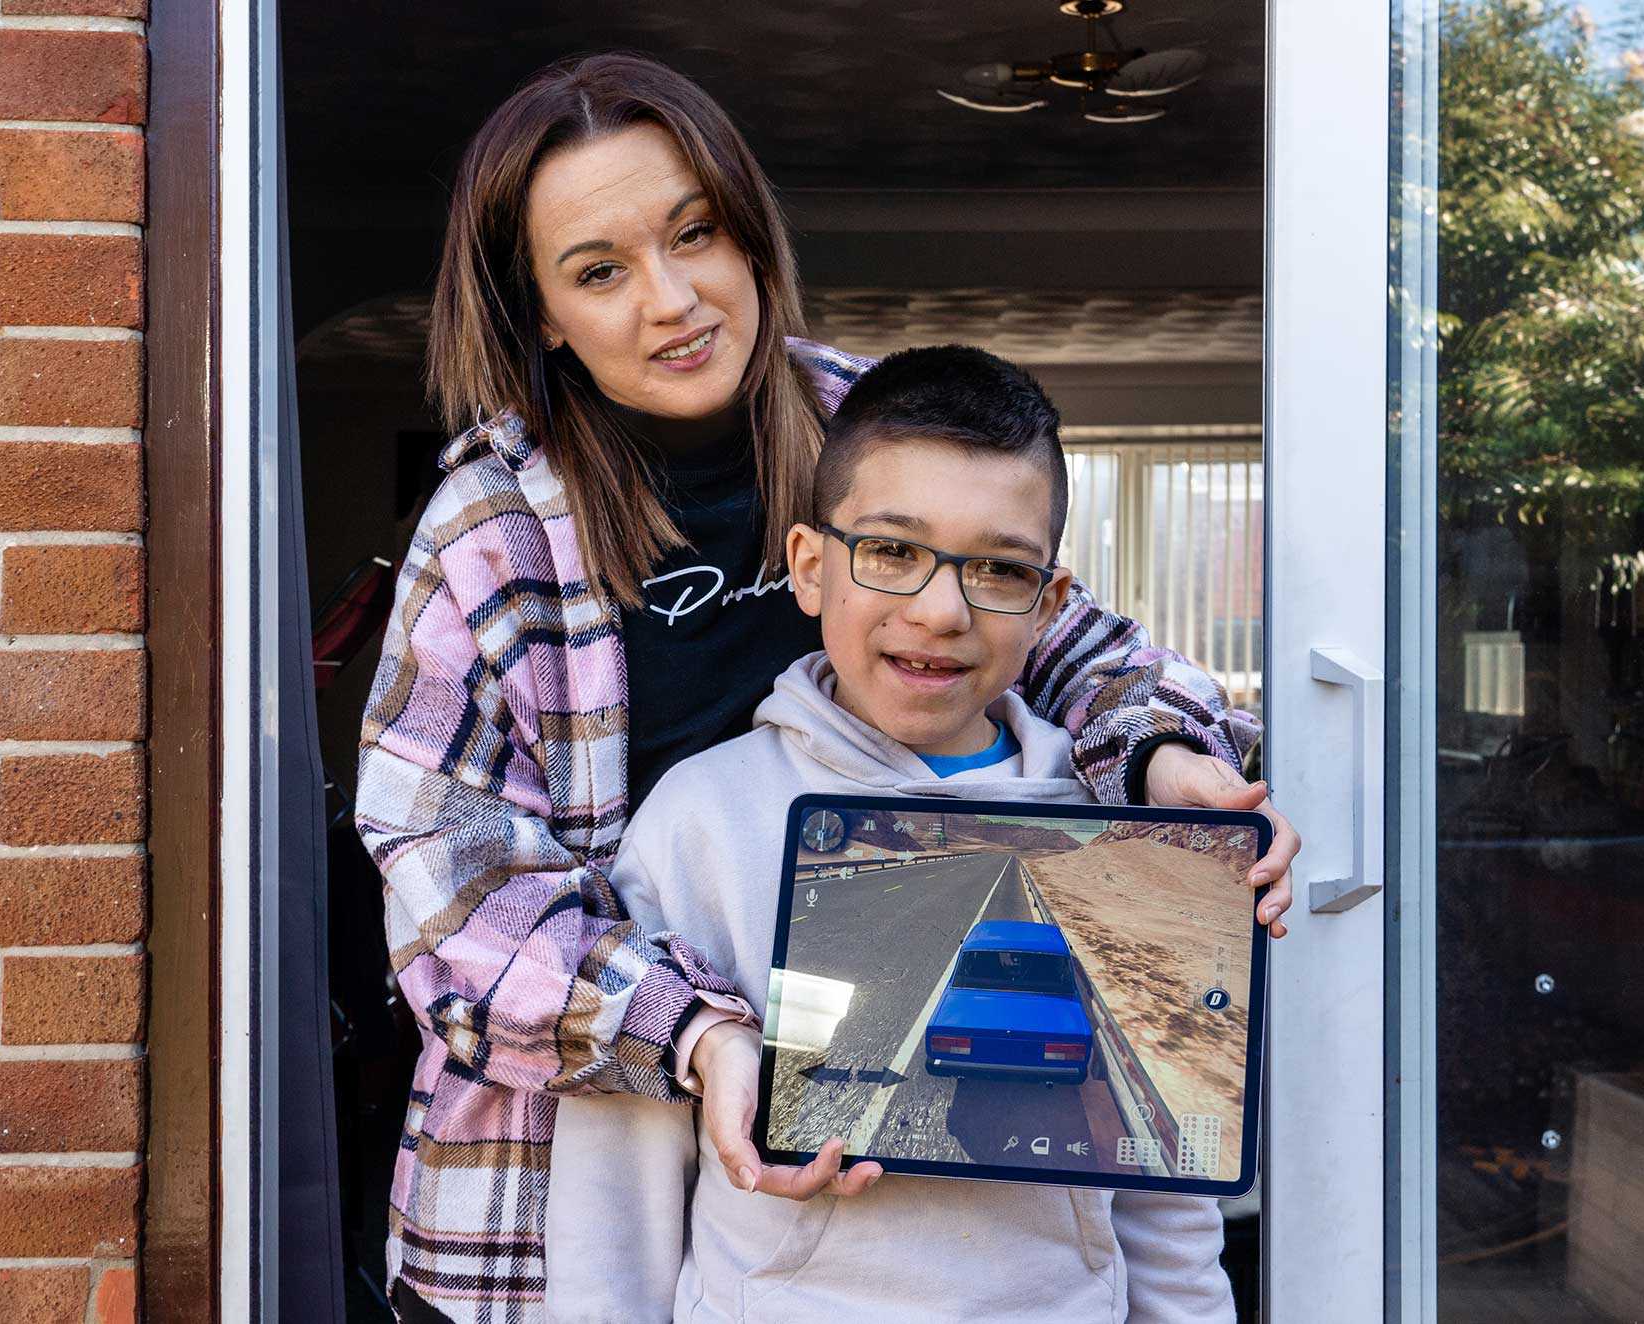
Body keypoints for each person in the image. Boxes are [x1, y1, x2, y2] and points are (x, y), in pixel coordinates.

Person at [356, 52, 1294, 1323]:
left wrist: (1163, 770)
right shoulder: (491, 526)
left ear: (749, 234)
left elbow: (1054, 631)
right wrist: (698, 1037)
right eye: (599, 270)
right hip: (560, 1179)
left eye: (696, 234)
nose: (673, 299)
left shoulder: (854, 417)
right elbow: (443, 875)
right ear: (539, 315)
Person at [543, 346, 1235, 1323]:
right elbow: (617, 1183)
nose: (940, 609)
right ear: (810, 568)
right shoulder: (698, 818)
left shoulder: (1117, 836)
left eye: (998, 567)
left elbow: (1167, 1194)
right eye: (893, 551)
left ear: (1047, 603)